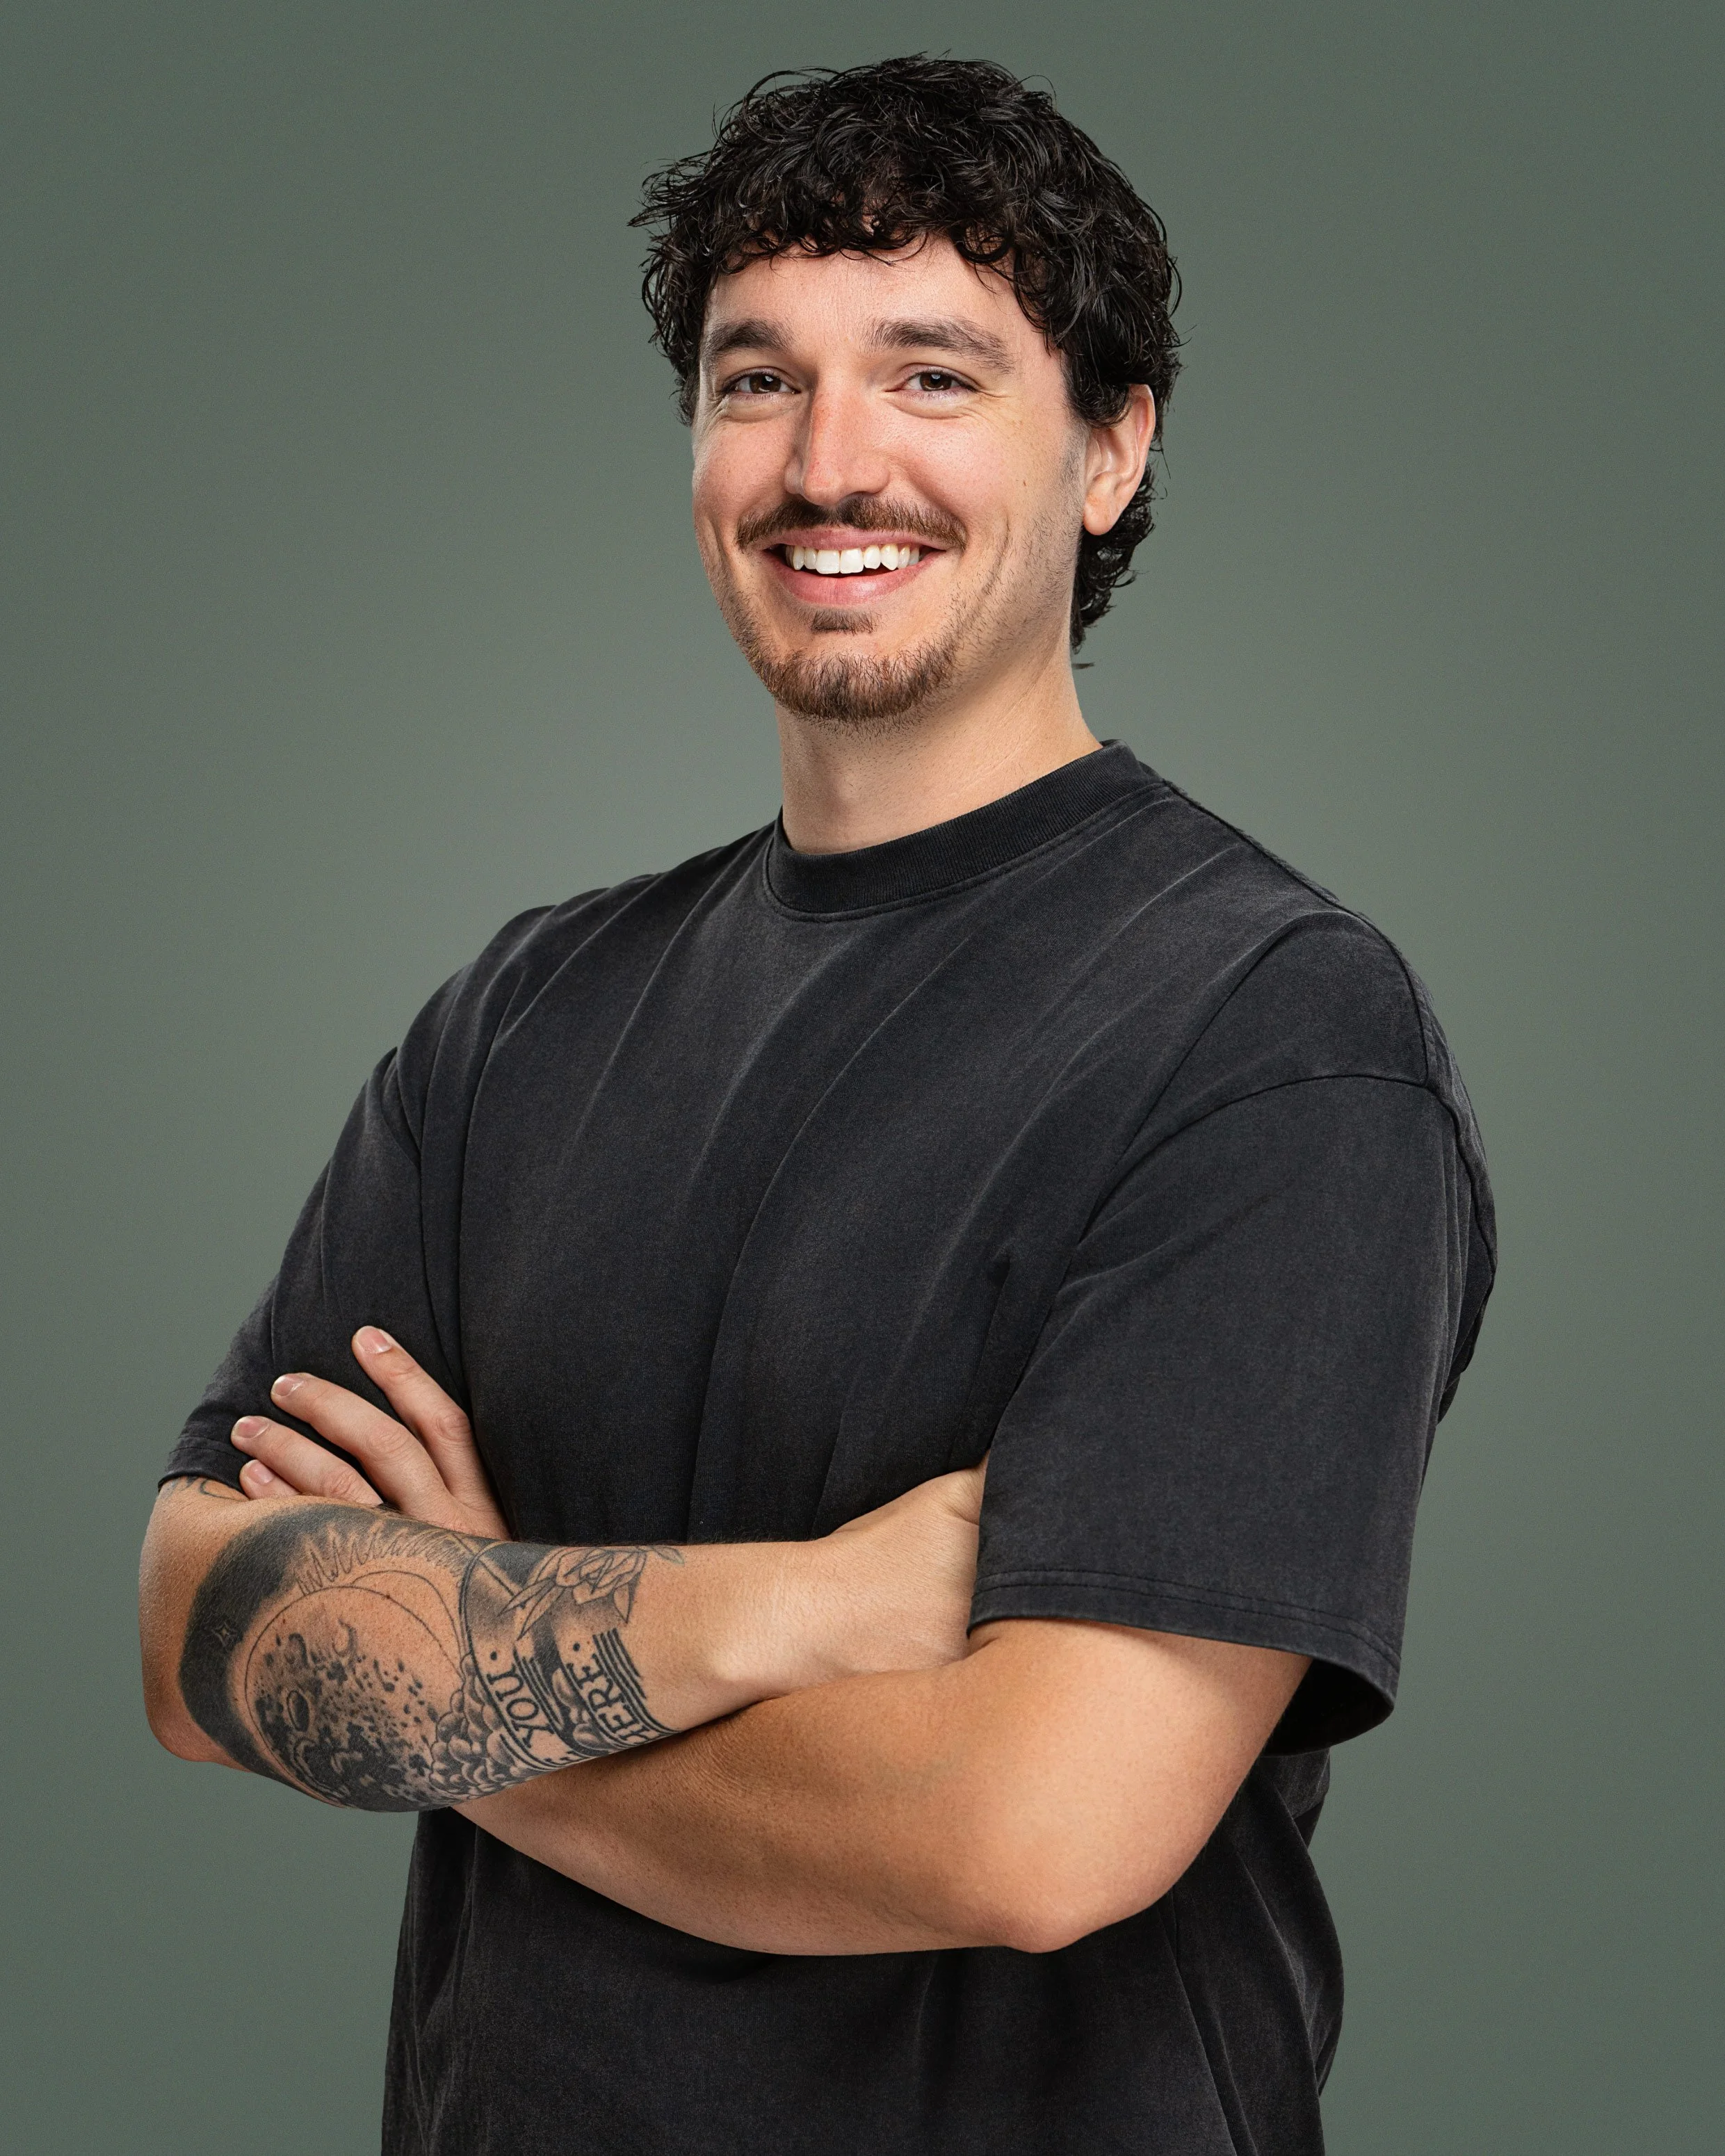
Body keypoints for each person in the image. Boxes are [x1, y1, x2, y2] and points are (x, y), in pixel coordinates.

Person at [139, 54, 1495, 2156]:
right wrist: (795, 1601)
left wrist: (468, 1672)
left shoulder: (1272, 1035)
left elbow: (1030, 1827)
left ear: (1113, 447)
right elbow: (200, 1629)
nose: (827, 462)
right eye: (754, 380)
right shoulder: (519, 1013)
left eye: (933, 375)